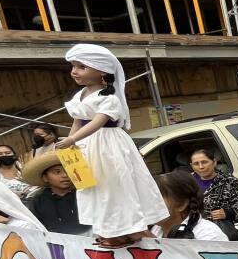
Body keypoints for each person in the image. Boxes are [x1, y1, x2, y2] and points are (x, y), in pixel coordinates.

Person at [59, 44, 169, 247]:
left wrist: (73, 140)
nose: (74, 71)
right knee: (94, 188)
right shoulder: (80, 96)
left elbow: (97, 122)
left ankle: (131, 229)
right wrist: (68, 142)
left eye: (81, 66)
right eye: (73, 66)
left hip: (107, 146)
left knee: (115, 186)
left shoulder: (109, 98)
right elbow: (77, 120)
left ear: (102, 71)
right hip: (86, 147)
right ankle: (107, 230)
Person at [189, 149, 238, 236]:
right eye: (196, 164)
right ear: (191, 165)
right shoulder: (187, 181)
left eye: (204, 162)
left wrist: (229, 212)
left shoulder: (229, 181)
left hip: (220, 233)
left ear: (214, 162)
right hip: (195, 232)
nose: (201, 166)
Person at [22, 152, 89, 235]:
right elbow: (36, 227)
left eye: (68, 171)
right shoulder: (38, 201)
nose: (65, 175)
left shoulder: (84, 194)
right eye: (57, 172)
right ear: (45, 178)